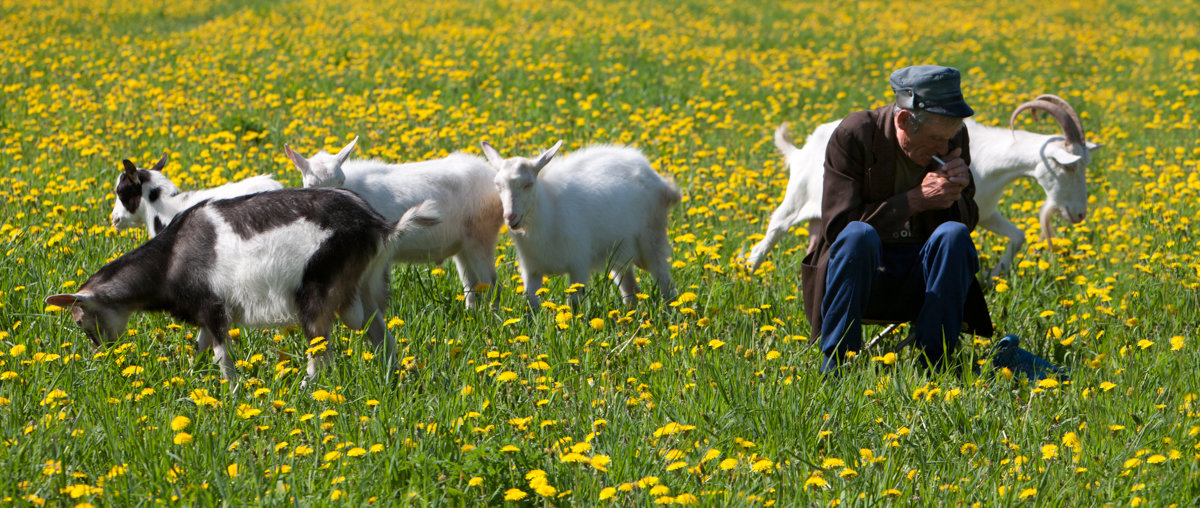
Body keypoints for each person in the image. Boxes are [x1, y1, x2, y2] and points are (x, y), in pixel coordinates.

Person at [800, 65, 993, 375]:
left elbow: (965, 224)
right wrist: (915, 200)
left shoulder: (953, 136)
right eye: (934, 140)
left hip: (921, 279)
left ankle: (937, 363)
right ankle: (836, 365)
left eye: (949, 140)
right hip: (861, 274)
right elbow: (838, 229)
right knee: (858, 235)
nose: (943, 149)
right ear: (904, 121)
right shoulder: (857, 134)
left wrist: (957, 195)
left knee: (954, 235)